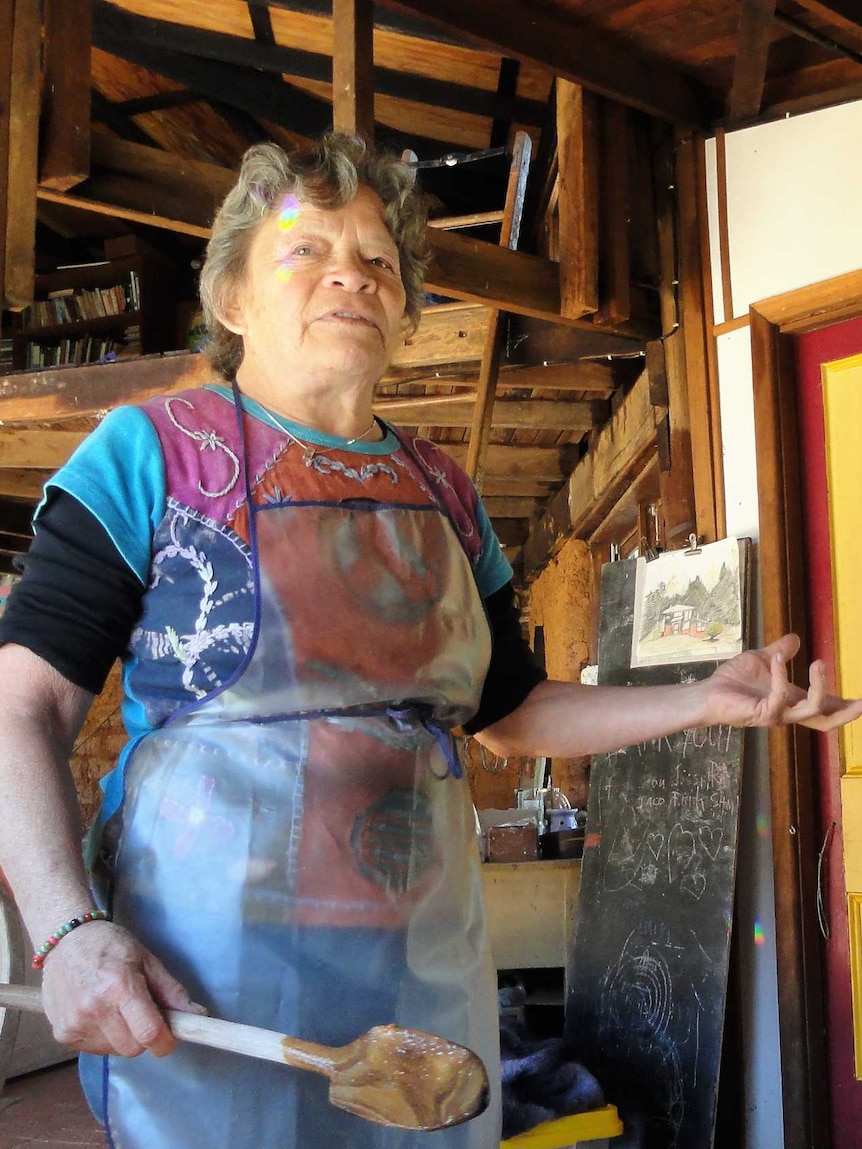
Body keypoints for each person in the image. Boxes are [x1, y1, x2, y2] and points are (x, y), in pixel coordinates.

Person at [0, 134, 858, 1149]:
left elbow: (511, 714)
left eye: (377, 259)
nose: (349, 275)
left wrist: (705, 698)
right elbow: (22, 707)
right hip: (203, 973)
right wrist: (64, 934)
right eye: (304, 249)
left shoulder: (445, 492)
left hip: (419, 957)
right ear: (233, 299)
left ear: (403, 305)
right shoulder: (148, 454)